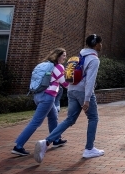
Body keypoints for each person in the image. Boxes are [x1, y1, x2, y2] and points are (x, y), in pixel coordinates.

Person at [34, 34, 104, 162]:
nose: (101, 45)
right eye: (100, 43)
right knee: (93, 117)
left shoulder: (80, 55)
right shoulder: (94, 59)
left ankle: (46, 141)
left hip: (71, 90)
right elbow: (90, 80)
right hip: (83, 92)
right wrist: (87, 99)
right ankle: (89, 149)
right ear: (95, 44)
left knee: (70, 119)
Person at [11, 48, 69, 156]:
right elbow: (65, 84)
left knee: (53, 116)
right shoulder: (58, 67)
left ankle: (56, 139)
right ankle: (18, 146)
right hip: (47, 97)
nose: (65, 58)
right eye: (64, 55)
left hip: (38, 95)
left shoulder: (45, 65)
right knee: (35, 122)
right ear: (58, 56)